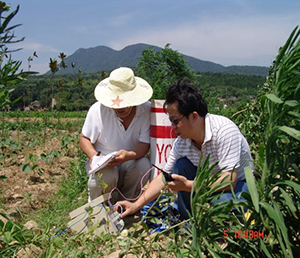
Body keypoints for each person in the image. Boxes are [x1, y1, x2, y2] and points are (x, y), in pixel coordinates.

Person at [117, 78, 254, 220]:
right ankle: (187, 220)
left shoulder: (224, 131)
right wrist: (135, 205)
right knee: (180, 166)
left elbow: (229, 180)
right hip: (205, 182)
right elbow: (163, 177)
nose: (172, 127)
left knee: (225, 204)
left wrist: (188, 185)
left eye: (175, 121)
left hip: (237, 184)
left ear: (194, 116)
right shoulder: (181, 142)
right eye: (171, 121)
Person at [80, 67, 153, 202]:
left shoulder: (146, 110)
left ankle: (128, 202)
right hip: (103, 160)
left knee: (143, 165)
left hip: (130, 160)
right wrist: (94, 156)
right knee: (105, 175)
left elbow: (144, 144)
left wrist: (128, 155)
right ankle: (99, 206)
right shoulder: (98, 110)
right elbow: (84, 138)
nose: (119, 108)